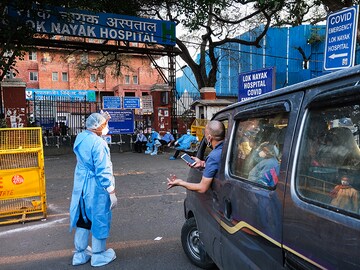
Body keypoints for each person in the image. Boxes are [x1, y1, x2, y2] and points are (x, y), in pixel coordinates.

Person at [69, 112, 117, 267]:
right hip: (96, 187)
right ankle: (98, 255)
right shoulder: (99, 144)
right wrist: (111, 191)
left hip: (81, 186)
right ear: (99, 127)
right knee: (99, 219)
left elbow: (93, 140)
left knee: (83, 218)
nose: (106, 128)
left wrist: (104, 119)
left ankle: (80, 254)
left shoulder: (81, 137)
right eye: (105, 125)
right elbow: (102, 170)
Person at [167, 120, 225, 193]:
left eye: (206, 136)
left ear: (209, 138)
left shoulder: (213, 156)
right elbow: (220, 165)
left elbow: (202, 188)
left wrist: (180, 182)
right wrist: (203, 163)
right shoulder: (229, 148)